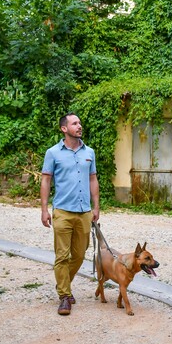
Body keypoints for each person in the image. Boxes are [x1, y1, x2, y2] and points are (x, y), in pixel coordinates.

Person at [41, 112, 100, 315]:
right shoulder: (53, 153)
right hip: (62, 212)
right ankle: (64, 296)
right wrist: (44, 209)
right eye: (75, 123)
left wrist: (96, 206)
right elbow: (46, 180)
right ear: (64, 129)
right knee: (62, 256)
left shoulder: (89, 152)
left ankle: (63, 285)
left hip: (84, 212)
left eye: (80, 123)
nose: (79, 126)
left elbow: (93, 179)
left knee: (79, 255)